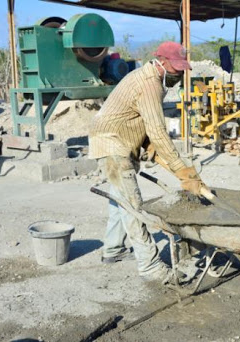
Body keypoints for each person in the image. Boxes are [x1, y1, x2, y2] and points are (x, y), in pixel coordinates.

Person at [89, 41, 207, 282]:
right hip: (112, 144)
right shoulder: (149, 84)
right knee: (134, 205)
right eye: (176, 68)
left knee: (121, 199)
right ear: (161, 62)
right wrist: (181, 170)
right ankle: (150, 266)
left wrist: (151, 149)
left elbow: (138, 120)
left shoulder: (153, 78)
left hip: (120, 141)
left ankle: (113, 249)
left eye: (182, 69)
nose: (179, 74)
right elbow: (157, 130)